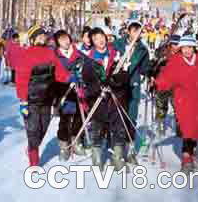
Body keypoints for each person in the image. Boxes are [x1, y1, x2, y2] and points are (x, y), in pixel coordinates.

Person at [154, 35, 198, 173]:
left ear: (194, 47)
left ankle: (191, 153)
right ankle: (186, 157)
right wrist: (157, 83)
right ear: (180, 49)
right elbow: (166, 78)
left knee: (196, 127)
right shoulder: (175, 62)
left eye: (189, 47)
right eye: (184, 48)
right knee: (187, 127)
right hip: (183, 99)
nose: (187, 50)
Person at [16, 25, 72, 166]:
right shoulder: (26, 54)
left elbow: (58, 72)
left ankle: (32, 146)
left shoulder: (50, 53)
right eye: (39, 36)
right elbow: (21, 79)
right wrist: (23, 101)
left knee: (44, 126)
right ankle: (34, 162)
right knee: (33, 129)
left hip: (47, 98)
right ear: (33, 39)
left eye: (44, 36)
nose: (42, 38)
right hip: (31, 100)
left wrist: (69, 78)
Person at [82, 28, 132, 171]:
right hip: (98, 98)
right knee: (97, 126)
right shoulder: (89, 58)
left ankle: (117, 156)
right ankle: (97, 155)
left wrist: (117, 80)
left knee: (118, 126)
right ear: (92, 41)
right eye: (96, 38)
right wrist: (98, 85)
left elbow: (124, 73)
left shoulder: (116, 53)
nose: (100, 40)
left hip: (116, 97)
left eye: (101, 37)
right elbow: (86, 79)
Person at [113, 21, 150, 164]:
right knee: (117, 118)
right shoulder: (118, 44)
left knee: (131, 118)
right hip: (118, 86)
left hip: (133, 86)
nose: (136, 33)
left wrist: (151, 71)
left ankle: (129, 150)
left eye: (139, 31)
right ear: (128, 31)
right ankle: (117, 150)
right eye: (134, 30)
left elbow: (144, 68)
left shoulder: (142, 49)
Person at [53, 30, 87, 161]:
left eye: (66, 38)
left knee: (79, 117)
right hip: (64, 92)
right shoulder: (55, 55)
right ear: (57, 42)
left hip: (78, 90)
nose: (65, 41)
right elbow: (54, 73)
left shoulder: (78, 54)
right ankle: (64, 145)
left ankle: (76, 141)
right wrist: (66, 78)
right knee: (65, 119)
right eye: (61, 40)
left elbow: (87, 68)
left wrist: (81, 75)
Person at [148, 35, 181, 135]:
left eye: (178, 44)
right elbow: (152, 66)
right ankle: (160, 127)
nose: (176, 47)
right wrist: (151, 76)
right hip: (162, 84)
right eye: (174, 44)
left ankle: (180, 130)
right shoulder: (162, 53)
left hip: (177, 85)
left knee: (179, 108)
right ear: (170, 44)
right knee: (161, 107)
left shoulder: (182, 54)